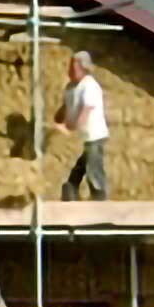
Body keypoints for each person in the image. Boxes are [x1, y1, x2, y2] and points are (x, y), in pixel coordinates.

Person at [53, 50, 110, 202]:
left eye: (73, 67)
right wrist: (57, 119)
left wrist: (69, 129)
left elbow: (86, 111)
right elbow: (66, 106)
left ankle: (100, 200)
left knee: (93, 169)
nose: (70, 70)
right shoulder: (71, 87)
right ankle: (70, 191)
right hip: (83, 138)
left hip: (94, 135)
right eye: (69, 66)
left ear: (83, 67)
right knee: (82, 166)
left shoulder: (89, 86)